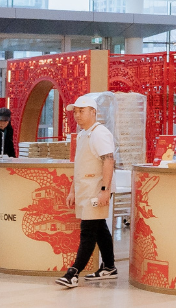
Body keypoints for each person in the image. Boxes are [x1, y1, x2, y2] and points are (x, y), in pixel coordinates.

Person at [54, 94, 117, 287]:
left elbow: (108, 161)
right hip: (85, 190)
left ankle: (73, 273)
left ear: (93, 112)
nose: (78, 115)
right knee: (99, 229)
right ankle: (109, 267)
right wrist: (73, 190)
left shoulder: (100, 133)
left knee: (88, 231)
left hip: (97, 190)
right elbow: (80, 165)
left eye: (82, 111)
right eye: (75, 112)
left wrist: (105, 190)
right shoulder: (83, 134)